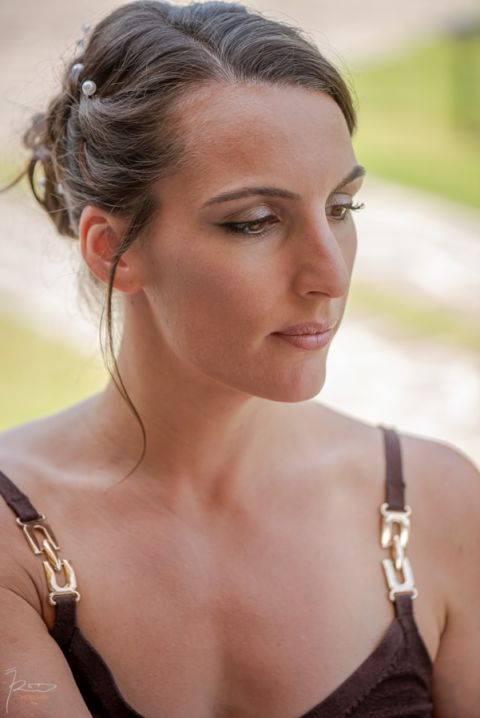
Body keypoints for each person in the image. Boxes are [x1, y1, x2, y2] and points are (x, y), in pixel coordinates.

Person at [0, 1, 478, 716]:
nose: (331, 275)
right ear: (112, 250)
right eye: (255, 222)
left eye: (341, 208)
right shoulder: (16, 544)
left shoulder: (438, 503)